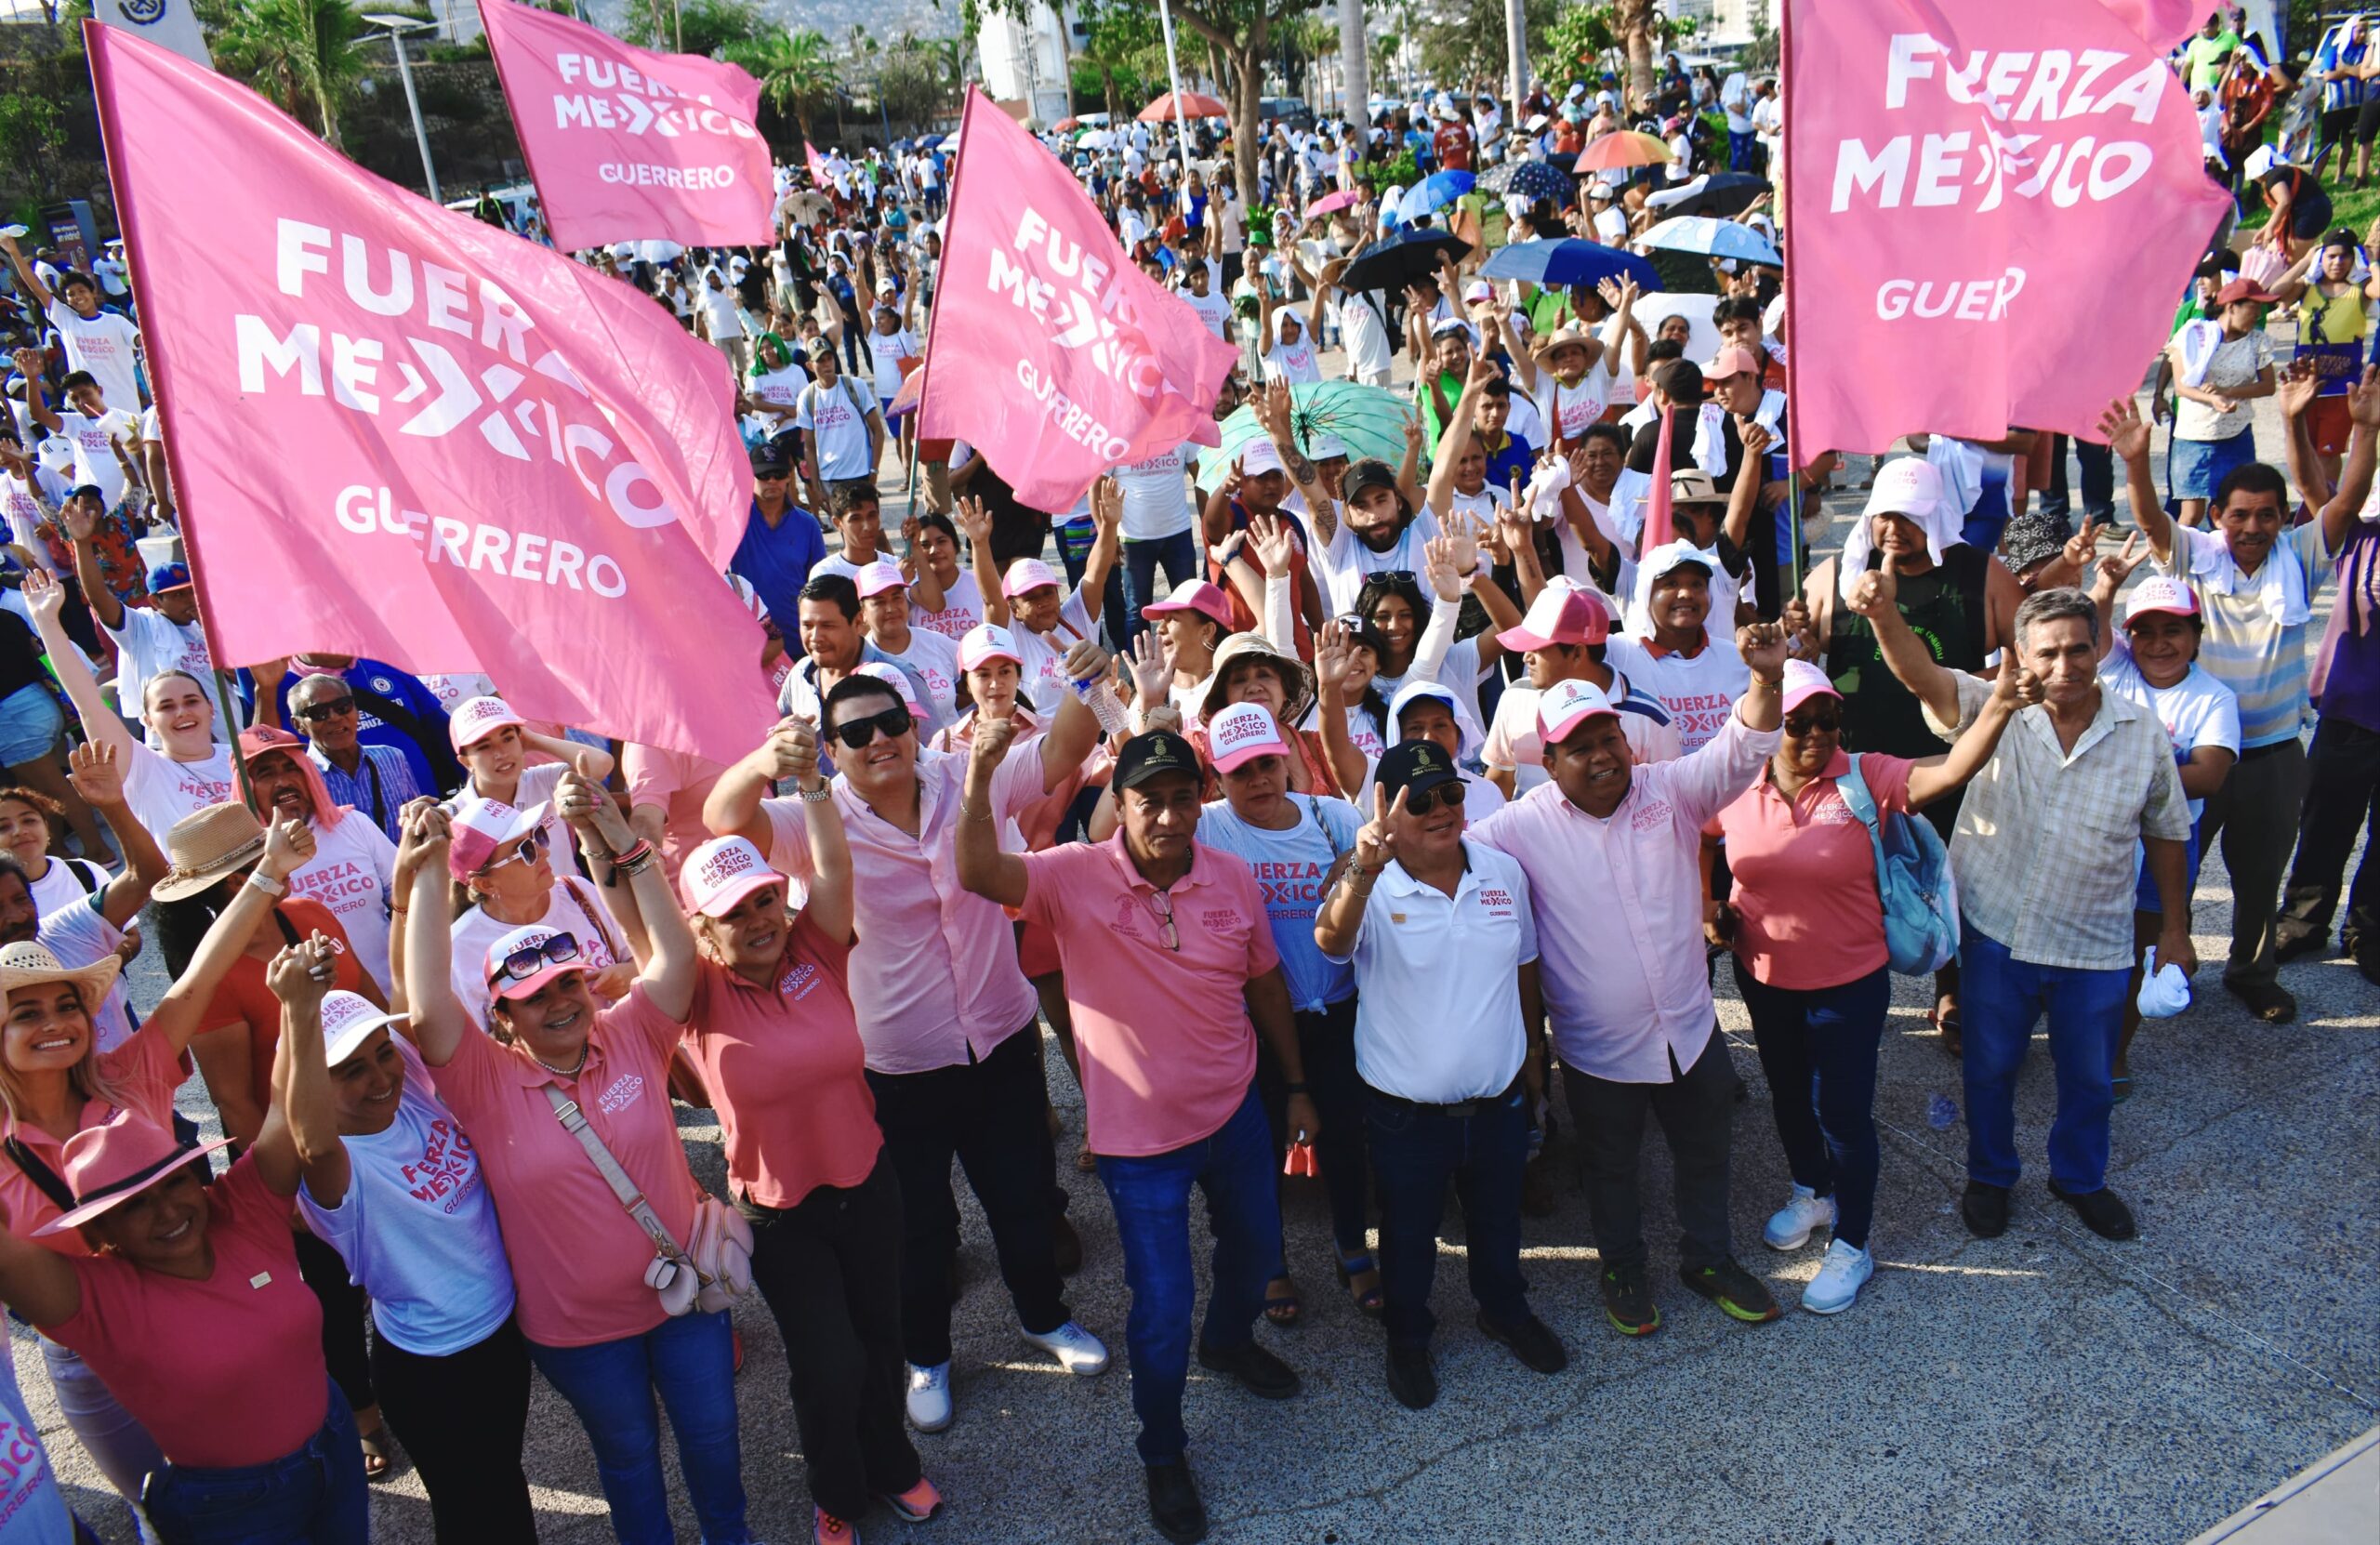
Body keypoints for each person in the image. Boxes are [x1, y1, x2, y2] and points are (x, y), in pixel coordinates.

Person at [704, 668, 1110, 1438]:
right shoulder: (809, 819)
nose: (877, 739)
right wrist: (765, 762)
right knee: (919, 1228)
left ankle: (1044, 1316)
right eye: (854, 733)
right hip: (898, 1066)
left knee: (1025, 1198)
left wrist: (1084, 677)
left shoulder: (968, 774)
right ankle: (927, 1354)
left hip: (1000, 1039)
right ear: (830, 750)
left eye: (889, 721)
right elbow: (724, 818)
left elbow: (1064, 749)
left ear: (912, 724)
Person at [957, 724, 1314, 1545]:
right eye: (1147, 799)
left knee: (1257, 1257)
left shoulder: (1232, 877)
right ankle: (1163, 1451)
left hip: (1235, 1116)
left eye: (1183, 796)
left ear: (1203, 800)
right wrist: (979, 776)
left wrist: (1295, 1088)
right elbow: (977, 870)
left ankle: (1226, 1345)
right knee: (1160, 1307)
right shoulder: (1070, 878)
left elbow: (1264, 984)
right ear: (1118, 806)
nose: (1167, 814)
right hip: (1138, 1143)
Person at [394, 787, 760, 1545]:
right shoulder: (481, 1080)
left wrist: (623, 837)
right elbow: (427, 1003)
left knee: (716, 1441)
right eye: (532, 998)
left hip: (686, 1291)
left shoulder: (631, 1033)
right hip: (579, 1332)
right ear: (501, 1017)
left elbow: (679, 952)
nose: (558, 1004)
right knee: (627, 1460)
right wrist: (428, 875)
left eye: (566, 983)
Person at [1471, 624, 1793, 1335]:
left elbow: (1742, 750)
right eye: (1580, 748)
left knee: (1705, 1150)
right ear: (1548, 762)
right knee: (1610, 1168)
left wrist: (1766, 680)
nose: (1602, 757)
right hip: (1598, 1050)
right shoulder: (1515, 829)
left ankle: (1706, 1258)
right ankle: (1621, 1264)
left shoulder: (1669, 790)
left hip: (1690, 1028)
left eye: (1609, 739)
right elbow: (1445, 865)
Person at [1860, 586, 2194, 1242]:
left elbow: (2167, 830)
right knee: (1989, 1069)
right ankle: (1990, 1176)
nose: (2064, 666)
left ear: (2099, 647)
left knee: (2090, 1081)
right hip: (1996, 934)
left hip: (2096, 942)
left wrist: (2177, 931)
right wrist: (1881, 612)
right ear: (2020, 654)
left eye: (2079, 648)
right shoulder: (1990, 706)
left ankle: (2080, 1179)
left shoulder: (2141, 732)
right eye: (2048, 652)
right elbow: (1917, 674)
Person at [1708, 658, 2030, 1314]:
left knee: (1846, 1116)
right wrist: (1701, 902)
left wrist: (1997, 705)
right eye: (1798, 723)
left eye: (1829, 720)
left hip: (1848, 984)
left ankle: (1853, 1242)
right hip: (1764, 976)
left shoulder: (1864, 775)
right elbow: (1695, 833)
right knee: (1789, 1097)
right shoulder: (1735, 783)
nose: (1817, 735)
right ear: (1770, 726)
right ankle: (1812, 1191)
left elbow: (1950, 771)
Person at [671, 781, 945, 1540]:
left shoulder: (813, 950)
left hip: (868, 1181)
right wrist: (612, 843)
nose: (759, 920)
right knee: (828, 1364)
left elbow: (834, 868)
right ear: (701, 929)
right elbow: (646, 929)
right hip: (781, 1211)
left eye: (764, 900)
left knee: (881, 1339)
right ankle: (837, 1490)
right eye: (736, 912)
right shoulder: (693, 993)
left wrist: (818, 788)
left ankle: (891, 1464)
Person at [0, 1069, 368, 1545]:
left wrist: (297, 1009)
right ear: (101, 1233)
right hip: (236, 1510)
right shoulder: (93, 1299)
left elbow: (286, 1109)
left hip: (335, 1439)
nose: (168, 1212)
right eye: (134, 1205)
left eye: (174, 1183)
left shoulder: (240, 1210)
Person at [2107, 379, 2377, 1024]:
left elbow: (2348, 499)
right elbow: (2149, 519)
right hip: (2194, 753)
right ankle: (2165, 964)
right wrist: (2137, 460)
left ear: (2283, 518)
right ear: (2219, 517)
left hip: (2273, 755)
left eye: (2265, 515)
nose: (2251, 528)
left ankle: (2254, 973)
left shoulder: (2302, 557)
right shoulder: (2196, 556)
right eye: (2239, 515)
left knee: (2260, 877)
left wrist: (2364, 428)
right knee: (2172, 873)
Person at [1314, 739, 1559, 1407]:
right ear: (1387, 815)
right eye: (1419, 801)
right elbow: (1331, 943)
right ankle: (1408, 1337)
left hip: (1500, 1098)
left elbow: (1524, 964)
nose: (1442, 809)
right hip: (1405, 1114)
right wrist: (1363, 867)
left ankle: (1503, 1311)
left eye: (1449, 793)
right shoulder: (1367, 881)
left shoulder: (1503, 872)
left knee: (1497, 1221)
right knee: (1407, 1233)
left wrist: (1535, 1055)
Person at [281, 974, 537, 1543]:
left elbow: (410, 992)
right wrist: (297, 1011)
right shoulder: (336, 1173)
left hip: (500, 1335)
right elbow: (311, 1142)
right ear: (312, 1088)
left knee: (502, 1483)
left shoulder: (411, 1094)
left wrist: (409, 888)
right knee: (470, 1510)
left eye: (382, 1054)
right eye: (351, 1070)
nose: (380, 1076)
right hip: (433, 1368)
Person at [1190, 703, 1376, 1328]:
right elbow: (1127, 823)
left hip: (1340, 1013)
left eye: (1267, 764)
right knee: (1259, 1150)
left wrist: (1354, 868)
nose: (1259, 781)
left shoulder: (1338, 819)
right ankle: (1271, 1262)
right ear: (1215, 779)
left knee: (1349, 1140)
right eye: (1240, 772)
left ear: (1289, 758)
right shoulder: (1209, 828)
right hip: (1254, 1024)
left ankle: (1353, 1245)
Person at [2082, 563, 2241, 1099]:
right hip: (2100, 834)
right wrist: (2104, 587)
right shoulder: (2118, 668)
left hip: (2167, 845)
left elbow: (2209, 774)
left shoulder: (2215, 698)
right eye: (2144, 630)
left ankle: (2116, 1051)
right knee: (2082, 940)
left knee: (2139, 949)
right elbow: (2093, 625)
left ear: (2197, 635)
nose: (2158, 643)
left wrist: (2121, 772)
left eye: (2173, 629)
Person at [23, 569, 233, 846]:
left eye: (191, 701)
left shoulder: (237, 757)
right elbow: (89, 705)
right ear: (147, 720)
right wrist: (47, 622)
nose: (182, 712)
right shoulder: (143, 769)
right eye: (166, 707)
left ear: (211, 709)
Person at [239, 727, 399, 995]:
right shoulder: (245, 863)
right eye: (266, 774)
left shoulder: (354, 824)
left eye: (292, 768)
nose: (283, 782)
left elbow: (406, 894)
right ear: (246, 788)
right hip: (323, 1013)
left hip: (396, 992)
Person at [2164, 279, 2278, 527]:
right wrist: (2212, 399)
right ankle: (2178, 564)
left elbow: (2268, 386)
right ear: (2232, 307)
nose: (2258, 315)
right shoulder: (2193, 335)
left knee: (2233, 512)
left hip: (2236, 436)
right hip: (2193, 437)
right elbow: (2182, 386)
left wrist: (2227, 391)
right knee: (2191, 515)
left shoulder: (2257, 342)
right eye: (2253, 307)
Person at [290, 671, 424, 843]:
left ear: (356, 711)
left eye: (343, 707)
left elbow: (417, 821)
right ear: (298, 725)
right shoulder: (299, 778)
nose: (335, 717)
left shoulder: (392, 757)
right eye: (318, 712)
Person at [732, 441, 827, 632]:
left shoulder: (808, 525)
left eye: (779, 473)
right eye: (764, 475)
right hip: (752, 638)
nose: (772, 481)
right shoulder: (733, 521)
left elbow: (819, 584)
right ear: (749, 476)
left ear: (789, 477)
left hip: (800, 636)